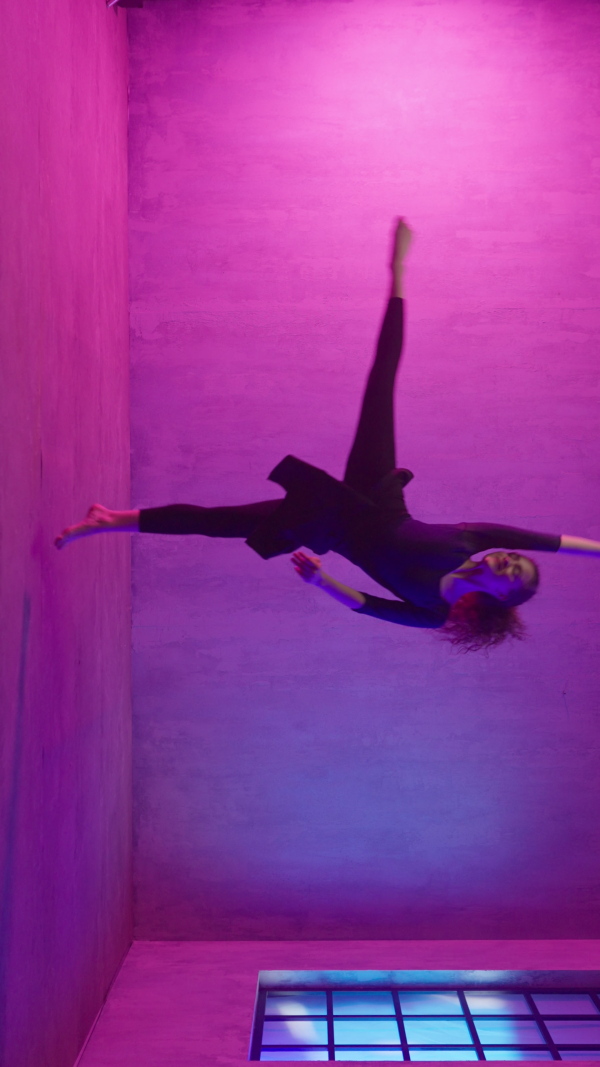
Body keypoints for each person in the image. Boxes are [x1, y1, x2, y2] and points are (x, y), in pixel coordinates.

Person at [55, 219, 600, 651]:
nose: (508, 558)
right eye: (513, 556)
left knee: (217, 523)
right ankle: (399, 273)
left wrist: (322, 584)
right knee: (380, 386)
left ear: (502, 597)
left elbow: (369, 605)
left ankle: (111, 520)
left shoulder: (435, 612)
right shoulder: (470, 543)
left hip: (333, 527)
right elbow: (551, 541)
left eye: (512, 571)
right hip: (379, 497)